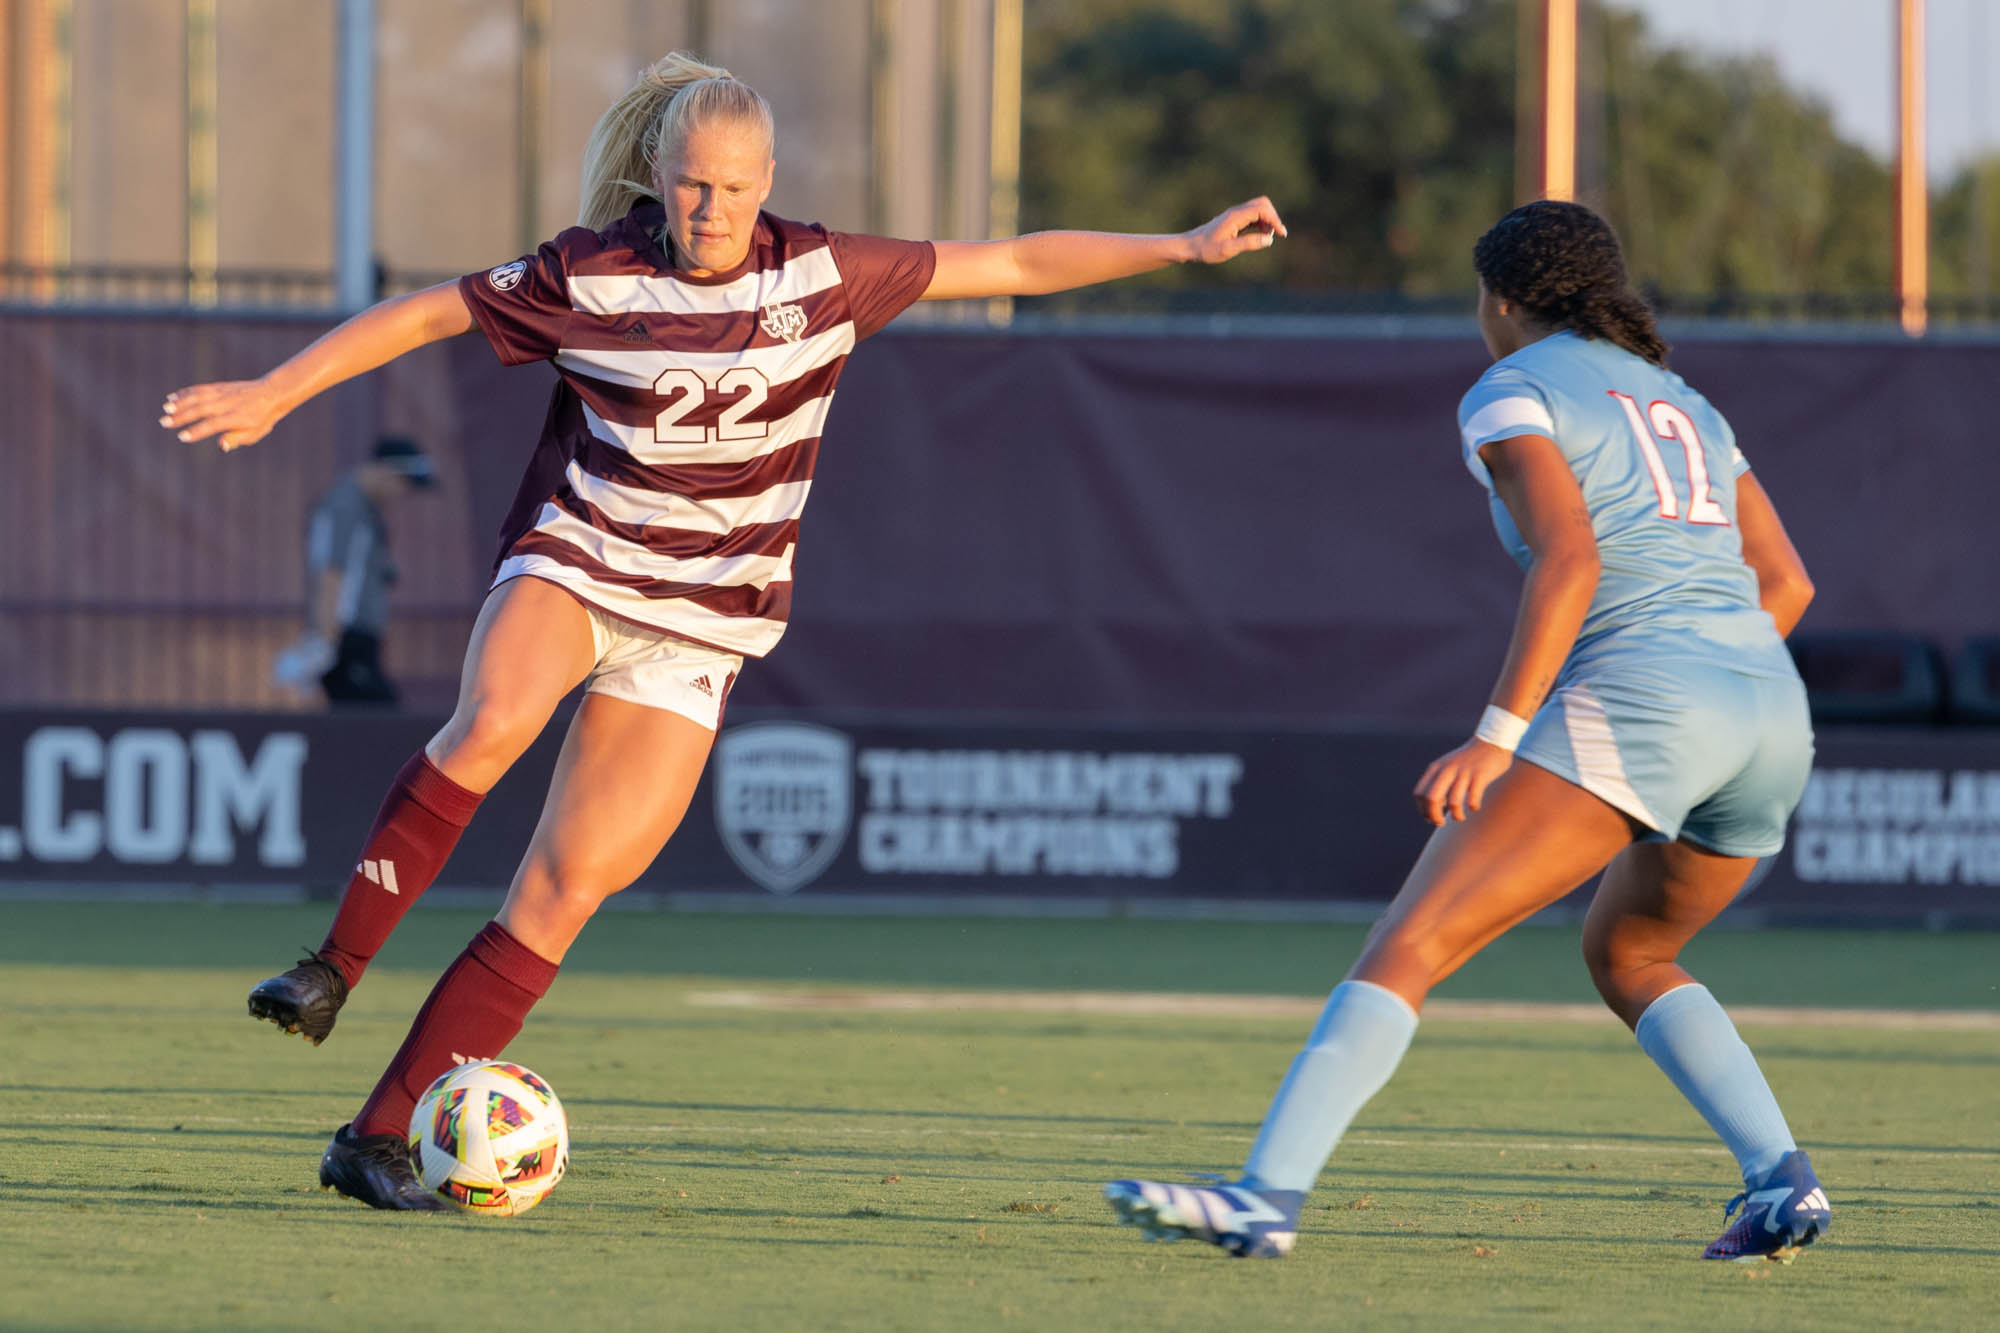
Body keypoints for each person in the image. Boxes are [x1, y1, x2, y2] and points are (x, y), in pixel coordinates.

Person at [159, 51, 1285, 1211]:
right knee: (494, 717)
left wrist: (1181, 246)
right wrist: (277, 391)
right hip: (582, 558)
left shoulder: (822, 272)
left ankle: (376, 1136)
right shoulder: (587, 272)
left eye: (736, 189)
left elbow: (1009, 259)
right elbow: (422, 314)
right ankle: (330, 967)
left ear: (769, 181)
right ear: (659, 172)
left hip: (703, 622)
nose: (712, 210)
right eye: (694, 185)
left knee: (563, 889)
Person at [1104, 200, 1830, 1263]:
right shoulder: (1684, 402)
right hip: (1768, 712)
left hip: (1647, 699)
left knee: (1409, 942)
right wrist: (1702, 675)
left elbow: (1569, 560)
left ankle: (1265, 1196)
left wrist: (1499, 734)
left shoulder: (1511, 386)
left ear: (1497, 299)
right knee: (1630, 947)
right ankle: (1780, 1183)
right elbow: (1787, 582)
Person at [273, 435, 438, 706]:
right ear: (386, 471)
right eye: (403, 484)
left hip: (355, 641)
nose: (402, 494)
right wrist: (325, 642)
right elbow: (331, 573)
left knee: (369, 726)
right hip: (346, 640)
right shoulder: (346, 507)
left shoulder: (364, 510)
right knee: (379, 725)